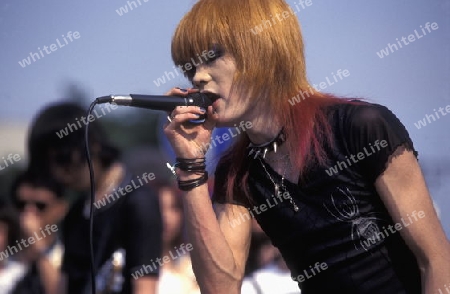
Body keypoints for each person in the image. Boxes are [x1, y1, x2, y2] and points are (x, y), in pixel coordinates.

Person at [162, 0, 450, 293]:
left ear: (263, 49)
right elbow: (220, 288)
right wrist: (191, 167)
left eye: (211, 56)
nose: (198, 76)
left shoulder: (361, 127)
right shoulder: (237, 172)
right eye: (191, 67)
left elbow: (437, 261)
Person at [27, 102, 163, 294]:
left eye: (62, 158)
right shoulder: (76, 213)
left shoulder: (138, 201)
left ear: (93, 143)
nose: (58, 173)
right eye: (48, 164)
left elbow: (145, 287)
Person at [9, 171, 67, 294]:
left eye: (40, 206)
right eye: (21, 204)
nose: (29, 212)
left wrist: (37, 243)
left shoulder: (68, 256)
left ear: (60, 209)